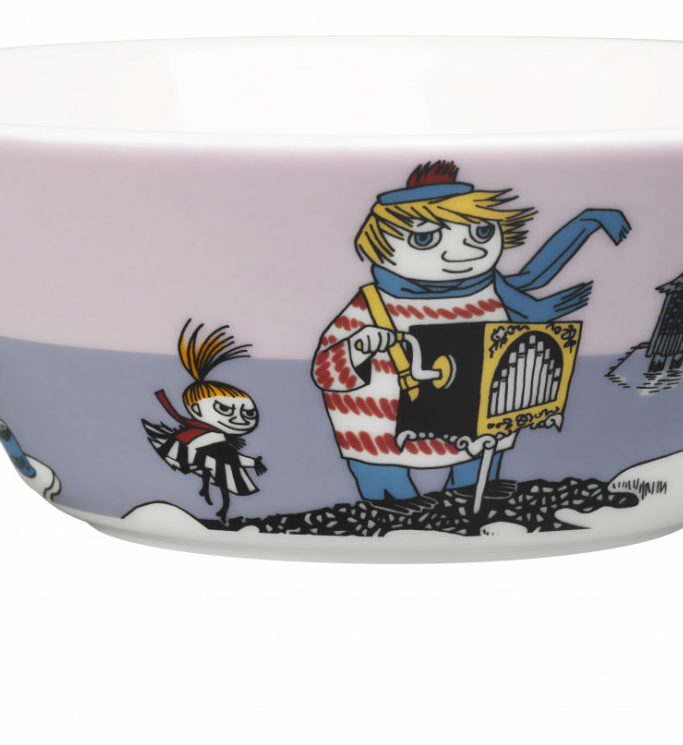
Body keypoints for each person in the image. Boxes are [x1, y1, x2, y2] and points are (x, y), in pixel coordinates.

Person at [312, 161, 629, 501]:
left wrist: (586, 222)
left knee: (481, 449)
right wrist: (359, 347)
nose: (465, 251)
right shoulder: (373, 304)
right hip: (384, 419)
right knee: (383, 467)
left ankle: (470, 491)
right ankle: (388, 501)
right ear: (378, 245)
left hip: (470, 410)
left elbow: (534, 279)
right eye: (424, 238)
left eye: (480, 233)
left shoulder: (486, 287)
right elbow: (325, 370)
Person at [142, 320, 267, 523]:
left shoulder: (209, 437)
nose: (238, 418)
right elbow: (232, 458)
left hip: (202, 462)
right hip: (201, 462)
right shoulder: (210, 438)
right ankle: (221, 512)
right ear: (196, 410)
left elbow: (230, 457)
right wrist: (254, 462)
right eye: (224, 409)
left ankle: (221, 510)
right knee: (226, 479)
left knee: (225, 480)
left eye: (249, 413)